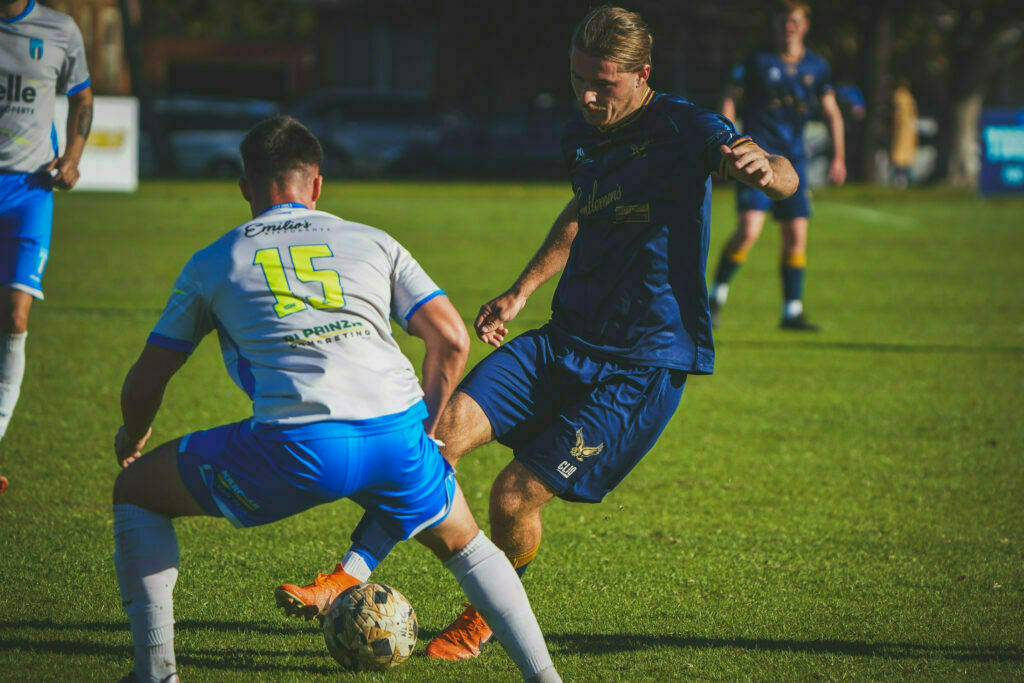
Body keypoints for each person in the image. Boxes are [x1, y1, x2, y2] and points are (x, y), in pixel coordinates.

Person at [277, 5, 798, 661]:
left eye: (603, 84)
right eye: (579, 77)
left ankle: (486, 613)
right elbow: (584, 209)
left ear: (642, 75)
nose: (586, 95)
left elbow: (783, 174)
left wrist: (766, 169)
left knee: (514, 496)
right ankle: (344, 579)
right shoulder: (582, 136)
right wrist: (522, 291)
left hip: (641, 363)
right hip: (563, 340)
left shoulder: (685, 127)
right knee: (436, 434)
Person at [111, 115, 560, 683]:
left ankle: (154, 674)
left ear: (246, 187)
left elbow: (148, 379)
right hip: (397, 436)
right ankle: (547, 678)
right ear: (317, 185)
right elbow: (450, 338)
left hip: (296, 446)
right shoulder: (373, 240)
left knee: (136, 492)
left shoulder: (215, 261)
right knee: (469, 548)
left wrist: (132, 435)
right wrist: (427, 428)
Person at [709, 0, 845, 331]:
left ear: (805, 25)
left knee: (796, 236)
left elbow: (831, 111)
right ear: (775, 24)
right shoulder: (757, 60)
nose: (789, 26)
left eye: (795, 20)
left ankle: (791, 311)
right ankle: (716, 296)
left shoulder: (817, 66)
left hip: (794, 162)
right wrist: (727, 137)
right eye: (784, 19)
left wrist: (839, 156)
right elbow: (730, 97)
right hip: (758, 157)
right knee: (748, 232)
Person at [1, 0, 92, 485]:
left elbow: (83, 97)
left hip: (29, 190)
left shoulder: (59, 29)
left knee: (15, 314)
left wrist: (73, 157)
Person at [890, 77, 918, 188]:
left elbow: (898, 115)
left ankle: (901, 179)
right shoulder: (909, 98)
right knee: (903, 155)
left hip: (902, 130)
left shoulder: (899, 96)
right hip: (908, 130)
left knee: (899, 154)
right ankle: (903, 179)